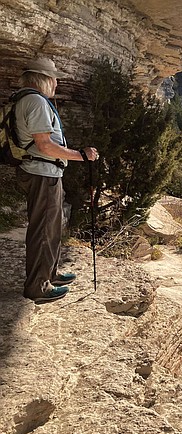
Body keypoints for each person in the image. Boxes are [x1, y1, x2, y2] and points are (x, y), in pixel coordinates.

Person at [14, 57, 98, 302]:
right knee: (43, 230)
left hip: (43, 172)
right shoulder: (36, 102)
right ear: (45, 79)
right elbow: (45, 145)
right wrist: (81, 155)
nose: (57, 83)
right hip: (43, 173)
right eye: (54, 79)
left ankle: (49, 273)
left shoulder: (25, 99)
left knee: (51, 227)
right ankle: (38, 287)